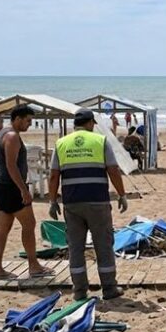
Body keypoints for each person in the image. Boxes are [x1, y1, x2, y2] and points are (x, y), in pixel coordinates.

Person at [48, 108, 127, 301]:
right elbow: (113, 170)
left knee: (75, 248)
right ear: (91, 123)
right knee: (103, 245)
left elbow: (53, 175)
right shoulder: (100, 141)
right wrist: (121, 195)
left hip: (72, 203)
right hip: (98, 201)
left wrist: (52, 200)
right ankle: (109, 288)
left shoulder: (61, 143)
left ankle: (80, 291)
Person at [0, 106, 53, 280]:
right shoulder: (12, 136)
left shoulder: (2, 133)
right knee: (29, 224)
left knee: (3, 228)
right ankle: (33, 266)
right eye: (27, 121)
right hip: (10, 187)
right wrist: (23, 189)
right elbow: (12, 166)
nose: (29, 125)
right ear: (18, 118)